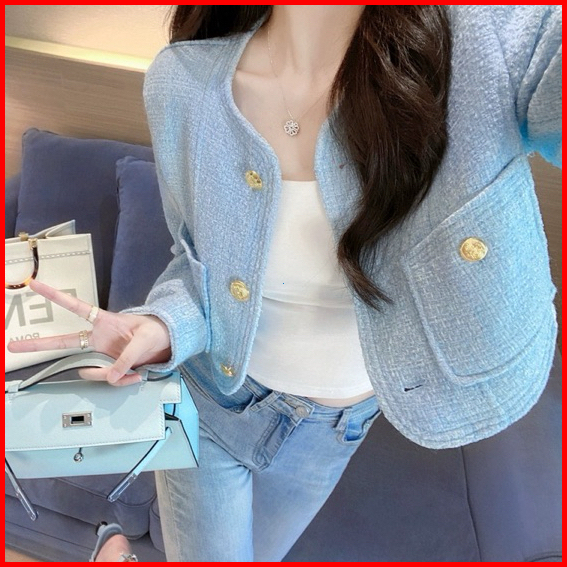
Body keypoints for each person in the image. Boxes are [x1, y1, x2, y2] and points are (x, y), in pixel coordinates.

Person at [9, 5, 561, 562]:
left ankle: (114, 549)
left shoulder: (484, 41)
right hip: (209, 403)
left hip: (333, 431)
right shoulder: (183, 85)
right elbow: (194, 260)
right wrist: (162, 324)